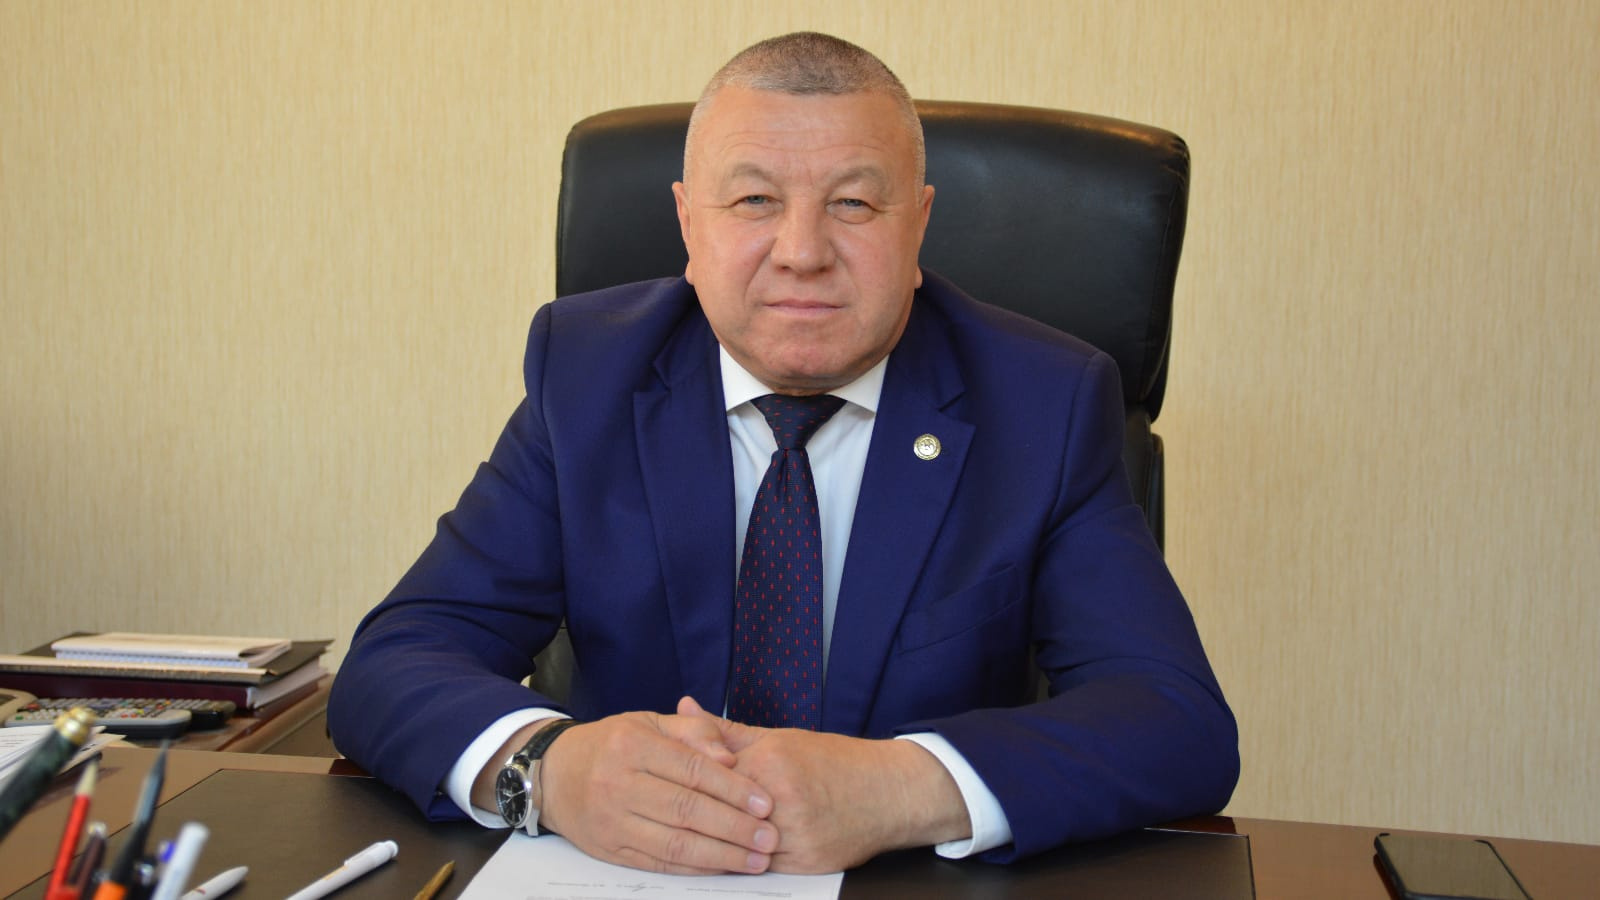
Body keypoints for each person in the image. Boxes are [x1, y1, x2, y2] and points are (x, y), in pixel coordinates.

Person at [328, 31, 1238, 876]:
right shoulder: (588, 374)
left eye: (854, 203)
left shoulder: (1044, 403)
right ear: (690, 224)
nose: (803, 252)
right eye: (755, 200)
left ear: (918, 225)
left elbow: (1174, 720)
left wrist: (900, 787)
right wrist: (548, 769)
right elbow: (396, 661)